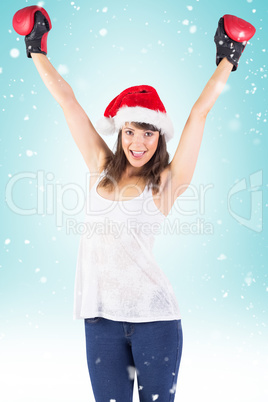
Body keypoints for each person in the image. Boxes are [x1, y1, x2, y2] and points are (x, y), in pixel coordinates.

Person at [13, 6, 255, 402]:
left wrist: (229, 57)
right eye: (130, 131)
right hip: (100, 321)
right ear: (120, 132)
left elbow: (199, 114)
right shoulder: (99, 167)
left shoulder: (164, 184)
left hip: (155, 320)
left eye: (148, 133)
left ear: (159, 137)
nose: (138, 143)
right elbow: (68, 103)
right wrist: (36, 47)